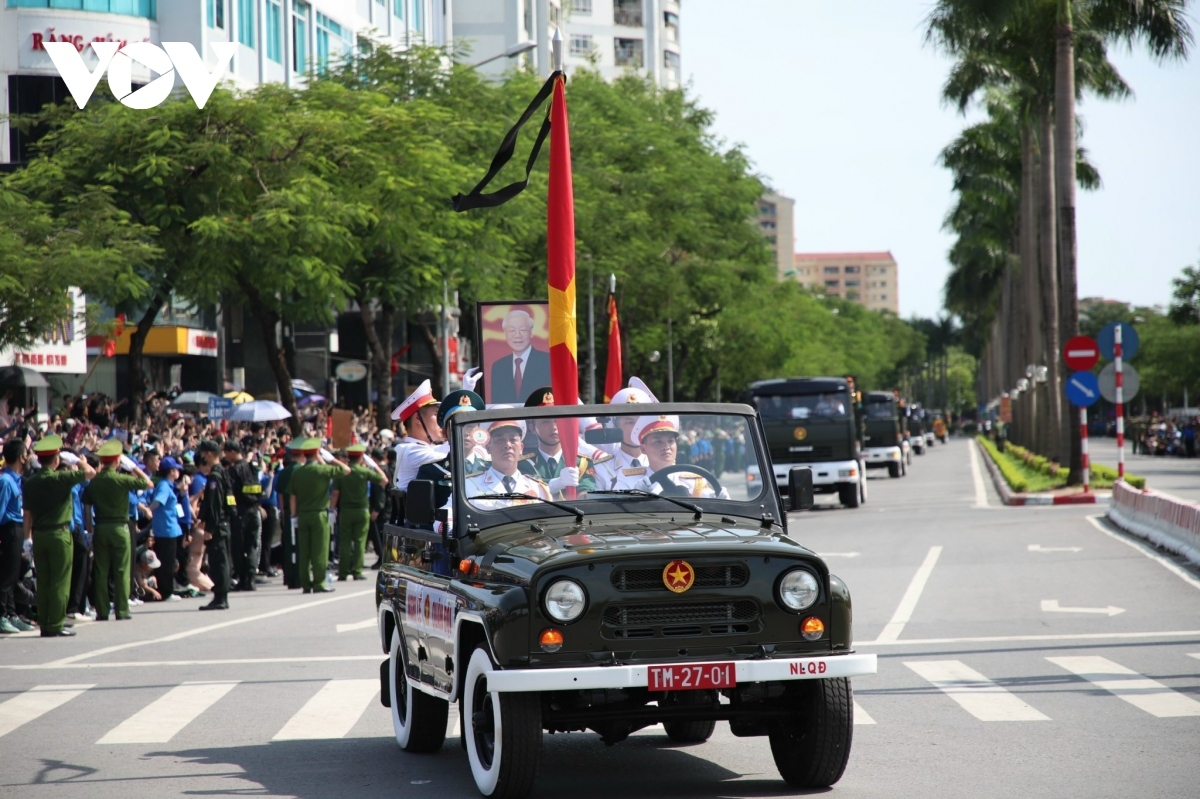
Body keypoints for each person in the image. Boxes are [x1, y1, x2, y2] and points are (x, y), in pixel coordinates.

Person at [22, 435, 96, 636]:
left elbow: (27, 513)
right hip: (60, 534)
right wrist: (77, 460)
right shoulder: (61, 478)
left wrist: (26, 538)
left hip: (39, 536)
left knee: (44, 581)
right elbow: (90, 472)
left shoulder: (30, 483)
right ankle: (55, 623)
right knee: (60, 581)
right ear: (56, 460)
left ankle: (45, 623)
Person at [82, 440, 152, 621]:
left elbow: (87, 507)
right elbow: (148, 483)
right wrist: (134, 467)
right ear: (117, 462)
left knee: (101, 570)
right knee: (121, 570)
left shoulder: (94, 482)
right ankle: (121, 609)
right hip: (120, 528)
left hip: (101, 528)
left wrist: (90, 531)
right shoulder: (121, 479)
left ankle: (102, 610)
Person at [288, 438, 350, 593]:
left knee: (304, 551)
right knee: (319, 551)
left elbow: (292, 497)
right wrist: (329, 459)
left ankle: (305, 584)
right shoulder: (323, 470)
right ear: (316, 453)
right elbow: (346, 470)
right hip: (319, 515)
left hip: (302, 515)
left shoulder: (298, 472)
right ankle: (318, 582)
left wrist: (294, 515)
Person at [518, 387, 599, 497]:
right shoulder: (523, 465)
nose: (554, 427)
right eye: (545, 421)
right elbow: (527, 492)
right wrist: (557, 483)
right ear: (532, 428)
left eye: (558, 421)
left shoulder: (581, 463)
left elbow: (586, 494)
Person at [463, 419, 552, 509]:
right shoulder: (469, 486)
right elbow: (451, 517)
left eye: (513, 440)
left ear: (521, 448)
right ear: (488, 448)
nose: (508, 445)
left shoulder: (538, 488)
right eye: (500, 440)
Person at [633, 416, 729, 499]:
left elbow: (712, 508)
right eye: (658, 441)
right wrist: (633, 497)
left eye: (671, 441)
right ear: (643, 449)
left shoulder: (693, 481)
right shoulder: (632, 480)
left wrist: (721, 500)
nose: (667, 446)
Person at [332, 444, 386, 581]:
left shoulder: (343, 472)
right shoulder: (364, 471)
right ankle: (357, 571)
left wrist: (332, 509)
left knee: (345, 541)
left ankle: (343, 572)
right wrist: (374, 465)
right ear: (362, 457)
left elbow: (335, 493)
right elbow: (384, 480)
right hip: (362, 510)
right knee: (360, 541)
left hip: (345, 510)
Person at [194, 439, 235, 610]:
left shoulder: (215, 476)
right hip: (224, 524)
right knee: (222, 561)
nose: (202, 457)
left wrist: (209, 528)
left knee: (219, 562)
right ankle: (221, 596)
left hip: (218, 526)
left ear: (209, 454)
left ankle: (220, 597)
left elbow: (215, 505)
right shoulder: (223, 473)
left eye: (203, 454)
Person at [390, 380, 450, 493]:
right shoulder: (413, 451)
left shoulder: (420, 448)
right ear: (417, 418)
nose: (441, 420)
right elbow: (457, 460)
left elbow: (450, 448)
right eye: (436, 414)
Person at [0, 439, 33, 634]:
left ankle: (12, 614)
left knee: (13, 576)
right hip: (9, 529)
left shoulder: (17, 480)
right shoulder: (5, 481)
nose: (28, 457)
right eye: (26, 454)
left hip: (18, 529)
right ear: (21, 457)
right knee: (5, 576)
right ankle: (2, 615)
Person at [222, 441, 262, 592]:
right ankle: (251, 579)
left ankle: (243, 578)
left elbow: (230, 494)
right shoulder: (253, 468)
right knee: (252, 545)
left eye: (226, 453)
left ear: (232, 452)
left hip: (240, 512)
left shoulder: (234, 471)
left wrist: (231, 511)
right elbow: (258, 489)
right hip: (254, 510)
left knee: (238, 547)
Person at [488, 309, 551, 404]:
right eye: (512, 330)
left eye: (523, 330)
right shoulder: (498, 366)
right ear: (505, 334)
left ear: (531, 332)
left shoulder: (547, 362)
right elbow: (496, 404)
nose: (517, 335)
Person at [148, 455, 185, 600]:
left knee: (169, 561)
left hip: (170, 527)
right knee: (166, 563)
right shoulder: (164, 485)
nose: (178, 472)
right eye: (176, 469)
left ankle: (168, 590)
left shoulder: (169, 485)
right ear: (170, 471)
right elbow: (158, 501)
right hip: (165, 529)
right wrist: (148, 510)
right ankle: (166, 591)